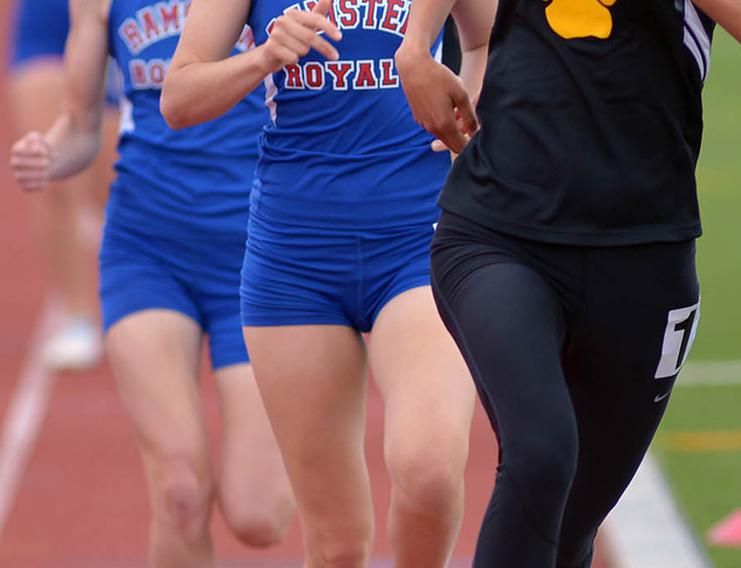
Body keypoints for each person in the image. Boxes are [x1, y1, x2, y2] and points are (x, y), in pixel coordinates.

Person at [395, 0, 741, 566]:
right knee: (543, 452)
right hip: (497, 234)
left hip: (646, 257)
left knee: (570, 529)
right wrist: (416, 45)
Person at [160, 0, 494, 565]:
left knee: (430, 468)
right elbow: (179, 98)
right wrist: (264, 56)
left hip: (420, 241)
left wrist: (473, 110)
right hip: (295, 261)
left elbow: (487, 40)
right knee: (337, 544)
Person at [9, 0, 296, 565]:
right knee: (179, 490)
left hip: (257, 256)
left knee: (259, 514)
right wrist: (49, 152)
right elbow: (80, 127)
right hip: (147, 252)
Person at [7, 0, 120, 370]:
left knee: (116, 180)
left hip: (122, 13)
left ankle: (138, 303)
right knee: (48, 166)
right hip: (50, 16)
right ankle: (76, 313)